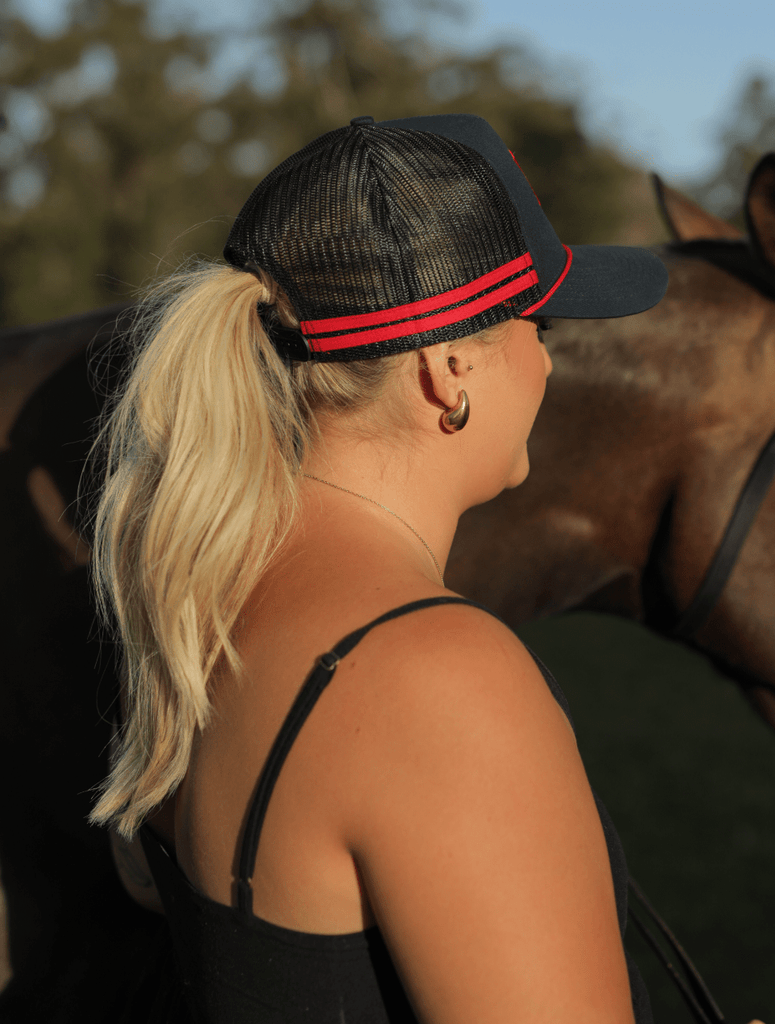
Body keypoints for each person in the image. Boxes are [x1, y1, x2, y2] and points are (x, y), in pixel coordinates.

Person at [88, 113, 669, 1023]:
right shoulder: (436, 678)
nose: (549, 361)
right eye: (539, 323)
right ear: (449, 369)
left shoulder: (205, 596)